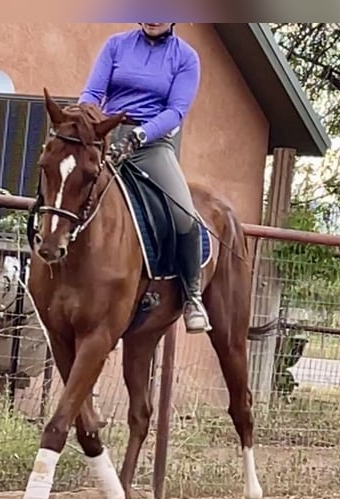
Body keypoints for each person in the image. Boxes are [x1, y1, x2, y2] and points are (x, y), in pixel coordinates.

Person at [78, 23, 211, 334]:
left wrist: (139, 136)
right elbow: (94, 91)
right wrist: (86, 114)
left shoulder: (186, 57)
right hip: (108, 137)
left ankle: (192, 297)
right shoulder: (115, 45)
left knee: (183, 215)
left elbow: (176, 111)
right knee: (70, 188)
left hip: (151, 145)